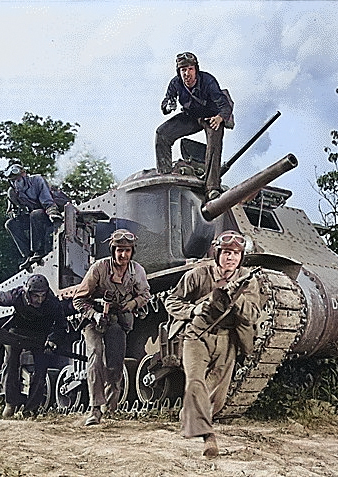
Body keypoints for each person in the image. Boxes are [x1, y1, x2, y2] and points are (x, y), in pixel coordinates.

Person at [163, 230, 261, 458]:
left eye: (236, 254)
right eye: (227, 253)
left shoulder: (248, 279)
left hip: (227, 338)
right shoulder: (198, 275)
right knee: (196, 381)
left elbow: (253, 313)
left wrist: (236, 298)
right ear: (217, 254)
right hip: (197, 335)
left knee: (218, 395)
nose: (231, 258)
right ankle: (209, 437)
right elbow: (171, 300)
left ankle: (192, 417)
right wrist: (192, 310)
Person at [72, 229, 151, 426]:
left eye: (127, 250)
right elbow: (79, 299)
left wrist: (132, 304)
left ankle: (111, 407)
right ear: (112, 250)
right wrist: (95, 314)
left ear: (132, 251)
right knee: (95, 356)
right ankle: (95, 409)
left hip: (117, 319)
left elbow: (145, 294)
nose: (123, 255)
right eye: (119, 250)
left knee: (115, 363)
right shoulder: (99, 268)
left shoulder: (137, 271)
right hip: (94, 319)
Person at [0, 274, 68, 418]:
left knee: (42, 368)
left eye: (42, 295)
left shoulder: (53, 303)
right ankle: (10, 404)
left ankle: (31, 409)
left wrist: (52, 340)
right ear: (27, 293)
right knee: (10, 362)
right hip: (17, 332)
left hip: (40, 336)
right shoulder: (16, 295)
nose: (39, 300)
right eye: (35, 296)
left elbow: (61, 326)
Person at [155, 52, 233, 201]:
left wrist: (220, 118)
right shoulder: (175, 83)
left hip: (211, 116)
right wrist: (168, 106)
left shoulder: (208, 81)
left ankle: (212, 187)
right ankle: (165, 175)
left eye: (190, 69)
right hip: (191, 116)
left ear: (196, 69)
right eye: (183, 70)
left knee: (214, 141)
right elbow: (166, 102)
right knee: (162, 133)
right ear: (179, 72)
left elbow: (225, 105)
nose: (187, 73)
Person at [4, 163, 64, 270]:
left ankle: (38, 251)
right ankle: (27, 255)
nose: (16, 183)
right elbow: (10, 210)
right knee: (10, 224)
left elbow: (47, 201)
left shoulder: (37, 180)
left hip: (47, 213)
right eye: (12, 181)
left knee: (35, 214)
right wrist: (15, 213)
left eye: (18, 180)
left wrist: (53, 213)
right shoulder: (12, 192)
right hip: (32, 219)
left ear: (24, 175)